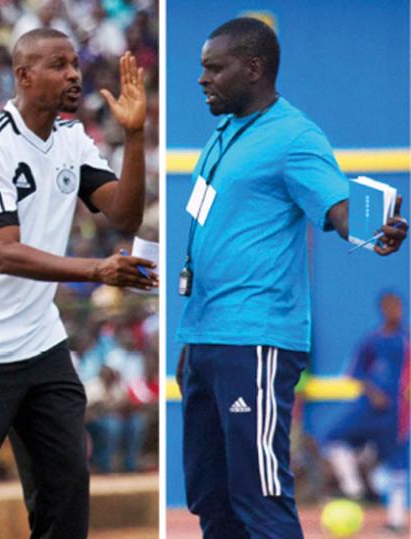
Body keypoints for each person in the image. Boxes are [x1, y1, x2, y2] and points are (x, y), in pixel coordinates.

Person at [0, 28, 157, 539]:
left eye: (75, 64)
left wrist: (133, 136)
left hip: (39, 341)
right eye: (59, 65)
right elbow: (5, 253)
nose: (75, 74)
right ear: (24, 75)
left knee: (65, 492)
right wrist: (97, 270)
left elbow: (124, 215)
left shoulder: (71, 138)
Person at [174, 18, 407, 539]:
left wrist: (379, 228)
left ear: (254, 68)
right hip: (205, 339)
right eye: (201, 68)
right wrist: (191, 342)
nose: (202, 79)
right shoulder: (224, 133)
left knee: (260, 499)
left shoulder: (294, 136)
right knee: (212, 499)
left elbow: (340, 208)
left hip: (253, 341)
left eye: (215, 68)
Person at [323, 291, 409, 532]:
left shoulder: (407, 341)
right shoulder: (372, 340)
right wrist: (373, 393)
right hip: (369, 409)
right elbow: (355, 372)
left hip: (397, 412)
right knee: (333, 439)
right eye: (389, 306)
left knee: (398, 462)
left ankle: (396, 520)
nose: (394, 311)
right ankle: (353, 487)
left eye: (398, 306)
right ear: (382, 309)